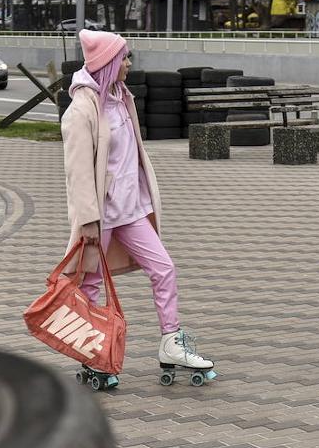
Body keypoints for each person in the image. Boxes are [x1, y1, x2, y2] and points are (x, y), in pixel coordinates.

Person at [60, 29, 214, 388]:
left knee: (164, 269)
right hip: (102, 215)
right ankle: (94, 354)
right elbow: (78, 172)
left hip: (132, 210)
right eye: (125, 57)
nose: (129, 64)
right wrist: (88, 221)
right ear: (109, 63)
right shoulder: (81, 109)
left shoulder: (120, 98)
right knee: (92, 283)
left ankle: (171, 343)